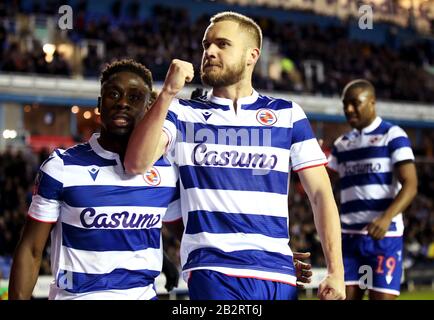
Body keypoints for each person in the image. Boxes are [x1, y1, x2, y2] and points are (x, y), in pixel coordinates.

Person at [125, 12, 345, 300]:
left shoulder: (288, 114)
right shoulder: (182, 113)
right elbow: (136, 163)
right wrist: (167, 93)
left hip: (278, 272)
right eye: (206, 45)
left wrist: (336, 271)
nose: (210, 52)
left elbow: (320, 195)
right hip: (212, 268)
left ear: (252, 55)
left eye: (222, 44)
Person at [8, 59, 181, 300]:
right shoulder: (62, 167)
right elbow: (31, 250)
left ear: (150, 106)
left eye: (133, 97)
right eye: (113, 94)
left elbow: (185, 233)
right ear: (100, 105)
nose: (122, 103)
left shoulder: (167, 172)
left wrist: (163, 260)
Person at [327, 79, 418, 300]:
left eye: (355, 103)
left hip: (384, 238)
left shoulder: (392, 135)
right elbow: (325, 185)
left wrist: (386, 218)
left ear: (372, 103)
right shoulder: (341, 145)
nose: (349, 109)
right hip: (349, 238)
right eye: (345, 104)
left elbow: (411, 184)